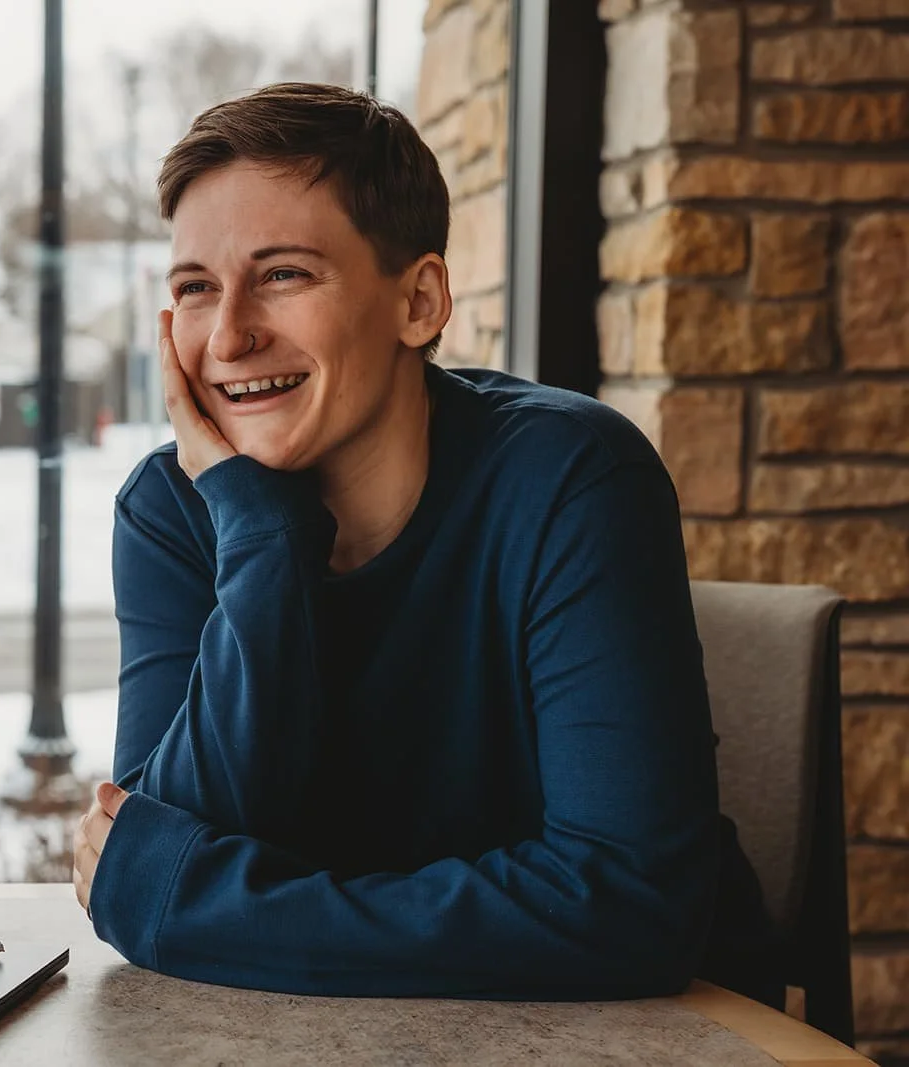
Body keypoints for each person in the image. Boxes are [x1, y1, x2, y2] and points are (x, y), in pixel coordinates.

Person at [71, 83, 778, 1005]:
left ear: (420, 299)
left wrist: (206, 906)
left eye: (284, 273)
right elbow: (167, 846)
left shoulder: (571, 476)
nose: (231, 333)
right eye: (195, 288)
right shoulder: (177, 510)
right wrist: (260, 527)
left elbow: (629, 906)